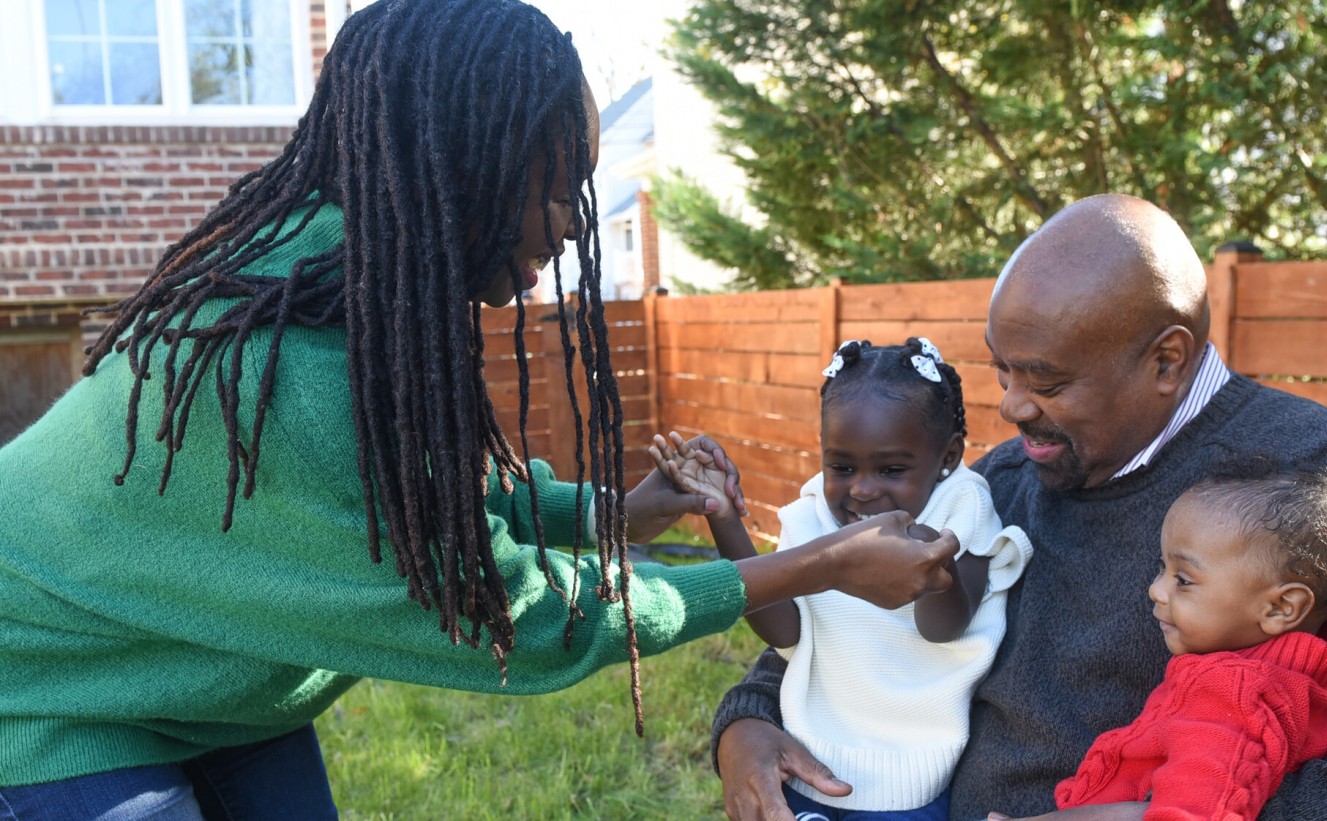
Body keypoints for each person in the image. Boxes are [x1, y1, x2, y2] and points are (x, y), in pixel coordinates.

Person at [0, 1, 959, 817]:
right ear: (463, 168)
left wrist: (613, 511)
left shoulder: (363, 286)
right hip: (49, 688)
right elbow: (526, 617)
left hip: (209, 677)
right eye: (557, 185)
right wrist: (822, 563)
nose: (578, 220)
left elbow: (433, 492)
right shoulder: (283, 370)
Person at [710, 193, 1327, 821]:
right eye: (1003, 370)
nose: (1010, 406)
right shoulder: (998, 481)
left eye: (1047, 381)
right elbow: (843, 633)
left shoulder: (1316, 475)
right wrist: (745, 722)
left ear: (1166, 359)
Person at [654, 338, 1033, 819]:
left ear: (947, 456)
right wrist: (724, 518)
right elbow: (785, 631)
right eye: (841, 466)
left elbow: (944, 627)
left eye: (892, 469)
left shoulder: (962, 504)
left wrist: (933, 561)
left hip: (912, 779)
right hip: (806, 764)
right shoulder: (812, 514)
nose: (862, 488)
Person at [1019, 464, 1327, 821]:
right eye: (1162, 568)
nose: (1155, 590)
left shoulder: (1235, 695)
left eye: (1183, 580)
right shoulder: (1311, 673)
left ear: (1281, 607)